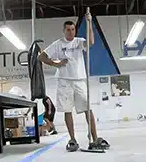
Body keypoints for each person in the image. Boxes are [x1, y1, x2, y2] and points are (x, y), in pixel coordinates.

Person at [38, 14, 110, 152]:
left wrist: (89, 23)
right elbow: (41, 57)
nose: (71, 32)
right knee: (67, 110)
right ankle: (72, 139)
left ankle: (94, 137)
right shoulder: (58, 44)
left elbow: (91, 42)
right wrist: (55, 63)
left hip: (79, 80)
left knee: (87, 108)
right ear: (64, 31)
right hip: (64, 81)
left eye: (73, 29)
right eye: (68, 30)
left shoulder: (78, 41)